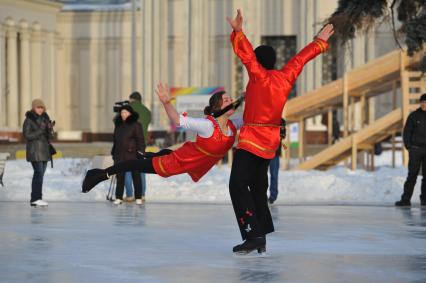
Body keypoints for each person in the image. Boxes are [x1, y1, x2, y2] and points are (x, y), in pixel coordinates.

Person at [226, 9, 334, 254]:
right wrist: (319, 42)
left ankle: (253, 235)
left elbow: (245, 56)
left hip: (252, 140)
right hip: (270, 143)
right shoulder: (285, 77)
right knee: (258, 186)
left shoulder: (258, 76)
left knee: (237, 185)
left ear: (259, 60)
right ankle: (260, 234)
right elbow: (300, 59)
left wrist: (239, 32)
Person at [82, 83, 243, 193]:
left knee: (146, 161)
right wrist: (166, 103)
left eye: (231, 99)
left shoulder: (232, 125)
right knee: (134, 165)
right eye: (226, 100)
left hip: (191, 160)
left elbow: (254, 117)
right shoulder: (207, 125)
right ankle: (99, 175)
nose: (231, 102)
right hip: (177, 162)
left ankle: (153, 155)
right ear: (217, 107)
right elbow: (178, 120)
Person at [23, 99, 55, 207]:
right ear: (33, 108)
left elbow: (50, 137)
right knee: (39, 174)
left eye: (42, 107)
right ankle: (36, 198)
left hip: (44, 151)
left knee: (40, 175)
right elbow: (27, 135)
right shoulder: (29, 119)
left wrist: (50, 130)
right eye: (38, 107)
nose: (40, 109)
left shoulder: (46, 118)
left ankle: (36, 198)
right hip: (35, 151)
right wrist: (41, 130)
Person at [395, 93, 426, 207]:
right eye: (422, 102)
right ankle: (405, 200)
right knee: (412, 175)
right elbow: (407, 132)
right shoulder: (414, 116)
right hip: (416, 150)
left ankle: (424, 200)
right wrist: (409, 147)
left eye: (425, 102)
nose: (424, 104)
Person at [111, 105, 145, 205]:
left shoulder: (136, 125)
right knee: (120, 177)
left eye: (125, 112)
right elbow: (115, 141)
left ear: (130, 113)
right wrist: (114, 153)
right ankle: (119, 197)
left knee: (136, 176)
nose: (123, 115)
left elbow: (140, 140)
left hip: (133, 155)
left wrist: (141, 153)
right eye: (122, 113)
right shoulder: (118, 125)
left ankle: (138, 197)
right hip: (119, 155)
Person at [124, 92, 152, 203]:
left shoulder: (127, 108)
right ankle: (142, 195)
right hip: (142, 143)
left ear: (131, 99)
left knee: (127, 168)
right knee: (141, 168)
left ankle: (130, 195)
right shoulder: (147, 111)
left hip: (129, 143)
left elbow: (116, 121)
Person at [268, 118, 286, 205]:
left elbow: (283, 135)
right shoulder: (266, 120)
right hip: (263, 151)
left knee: (274, 175)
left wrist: (280, 130)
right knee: (260, 175)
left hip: (275, 153)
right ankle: (260, 195)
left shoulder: (281, 121)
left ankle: (273, 196)